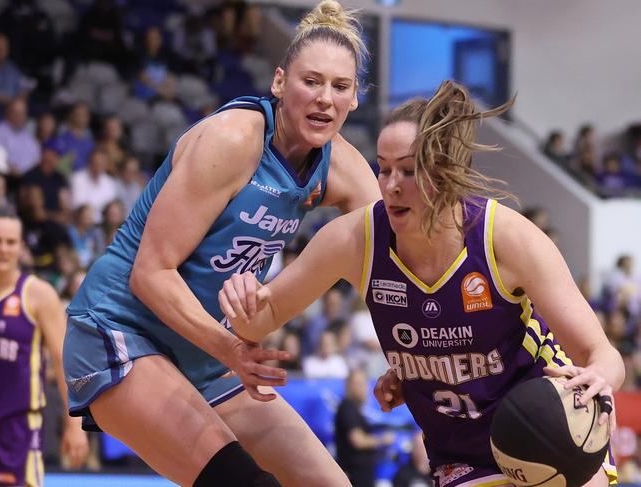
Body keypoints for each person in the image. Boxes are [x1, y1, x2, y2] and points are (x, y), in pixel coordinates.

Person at [218, 80, 624, 486]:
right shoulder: (355, 240)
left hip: (548, 434)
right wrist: (241, 297)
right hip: (463, 458)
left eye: (410, 171)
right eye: (384, 168)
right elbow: (261, 318)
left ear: (447, 174)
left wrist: (599, 378)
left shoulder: (505, 238)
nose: (392, 184)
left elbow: (601, 353)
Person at [62, 1, 380, 486]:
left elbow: (388, 270)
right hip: (122, 331)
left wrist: (410, 359)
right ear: (278, 82)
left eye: (340, 86)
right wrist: (231, 347)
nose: (324, 99)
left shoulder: (343, 167)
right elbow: (151, 273)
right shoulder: (234, 140)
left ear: (355, 99)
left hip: (206, 355)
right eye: (310, 81)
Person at [0, 209, 88, 487]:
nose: (3, 249)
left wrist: (74, 425)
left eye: (10, 242)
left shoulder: (37, 293)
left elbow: (62, 360)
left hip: (17, 426)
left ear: (21, 248)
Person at [335, 368, 394, 487]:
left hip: (362, 474)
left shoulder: (355, 410)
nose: (362, 388)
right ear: (348, 386)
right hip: (354, 475)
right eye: (358, 384)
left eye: (364, 383)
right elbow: (358, 441)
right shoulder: (347, 408)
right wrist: (382, 440)